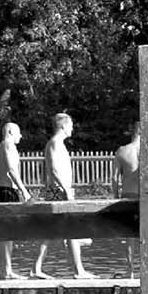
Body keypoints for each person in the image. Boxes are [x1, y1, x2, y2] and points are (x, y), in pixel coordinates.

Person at [35, 113, 94, 280]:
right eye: (71, 125)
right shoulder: (54, 143)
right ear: (63, 126)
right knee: (69, 230)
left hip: (59, 190)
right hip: (59, 191)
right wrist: (65, 189)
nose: (72, 128)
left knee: (57, 231)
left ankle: (38, 268)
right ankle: (78, 270)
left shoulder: (57, 143)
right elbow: (53, 169)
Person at [0, 122, 30, 279]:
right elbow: (12, 169)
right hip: (8, 191)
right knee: (8, 233)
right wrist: (24, 191)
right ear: (10, 131)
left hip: (0, 190)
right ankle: (7, 271)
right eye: (18, 133)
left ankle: (4, 270)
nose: (20, 136)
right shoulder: (8, 145)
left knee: (3, 234)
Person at [111, 126, 141, 273]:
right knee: (147, 233)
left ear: (133, 133)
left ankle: (130, 270)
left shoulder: (122, 151)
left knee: (130, 236)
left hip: (128, 195)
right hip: (146, 196)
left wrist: (116, 198)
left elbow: (114, 178)